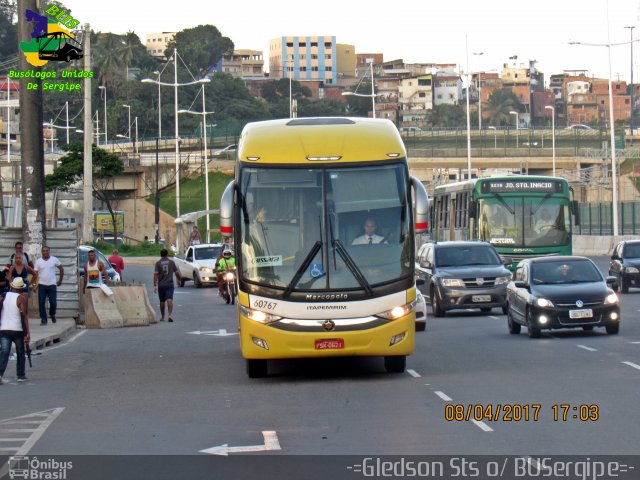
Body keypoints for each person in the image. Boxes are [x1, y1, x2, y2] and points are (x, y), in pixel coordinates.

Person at [0, 277, 30, 384]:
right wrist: (27, 333)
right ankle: (20, 375)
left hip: (4, 328)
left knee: (4, 352)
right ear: (21, 288)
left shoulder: (4, 296)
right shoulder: (21, 298)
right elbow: (24, 317)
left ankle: (0, 374)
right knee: (20, 352)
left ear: (12, 286)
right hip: (17, 329)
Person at [34, 246, 64, 326]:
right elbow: (35, 275)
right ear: (42, 252)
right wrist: (34, 285)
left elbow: (61, 269)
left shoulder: (54, 259)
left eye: (47, 250)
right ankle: (43, 319)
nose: (45, 252)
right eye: (44, 251)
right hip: (42, 285)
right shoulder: (38, 262)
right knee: (41, 303)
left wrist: (60, 280)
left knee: (53, 303)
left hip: (52, 285)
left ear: (49, 251)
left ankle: (52, 314)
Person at [153, 249, 181, 322]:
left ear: (160, 255)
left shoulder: (158, 263)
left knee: (162, 301)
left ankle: (162, 317)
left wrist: (155, 285)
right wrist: (179, 279)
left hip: (161, 284)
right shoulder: (171, 262)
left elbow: (156, 274)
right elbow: (177, 273)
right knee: (169, 299)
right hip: (169, 284)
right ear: (167, 254)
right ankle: (170, 315)